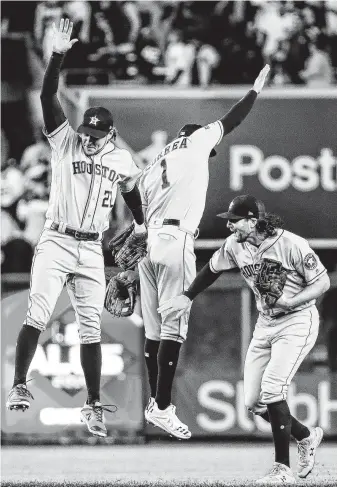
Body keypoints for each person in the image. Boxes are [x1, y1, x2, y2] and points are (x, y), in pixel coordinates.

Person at [6, 18, 146, 438]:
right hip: (57, 239)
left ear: (111, 133)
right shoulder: (65, 140)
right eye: (86, 131)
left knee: (90, 328)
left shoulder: (122, 159)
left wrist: (142, 224)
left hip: (91, 249)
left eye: (96, 135)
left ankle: (92, 407)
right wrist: (57, 57)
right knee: (38, 310)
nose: (88, 138)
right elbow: (49, 94)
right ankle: (18, 386)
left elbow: (130, 191)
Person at [138, 65, 270, 440]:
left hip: (148, 245)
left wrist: (135, 231)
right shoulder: (195, 141)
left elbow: (133, 196)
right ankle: (163, 407)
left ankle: (155, 403)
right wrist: (255, 91)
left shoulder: (154, 165)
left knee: (153, 331)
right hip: (176, 240)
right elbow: (232, 119)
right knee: (174, 326)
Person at [159, 195, 330, 481]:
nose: (230, 227)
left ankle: (282, 469)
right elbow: (212, 269)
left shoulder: (291, 244)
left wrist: (293, 300)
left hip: (297, 319)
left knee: (273, 389)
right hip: (265, 323)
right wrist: (187, 297)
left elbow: (322, 282)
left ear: (253, 220)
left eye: (234, 221)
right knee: (254, 401)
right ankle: (305, 436)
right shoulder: (235, 246)